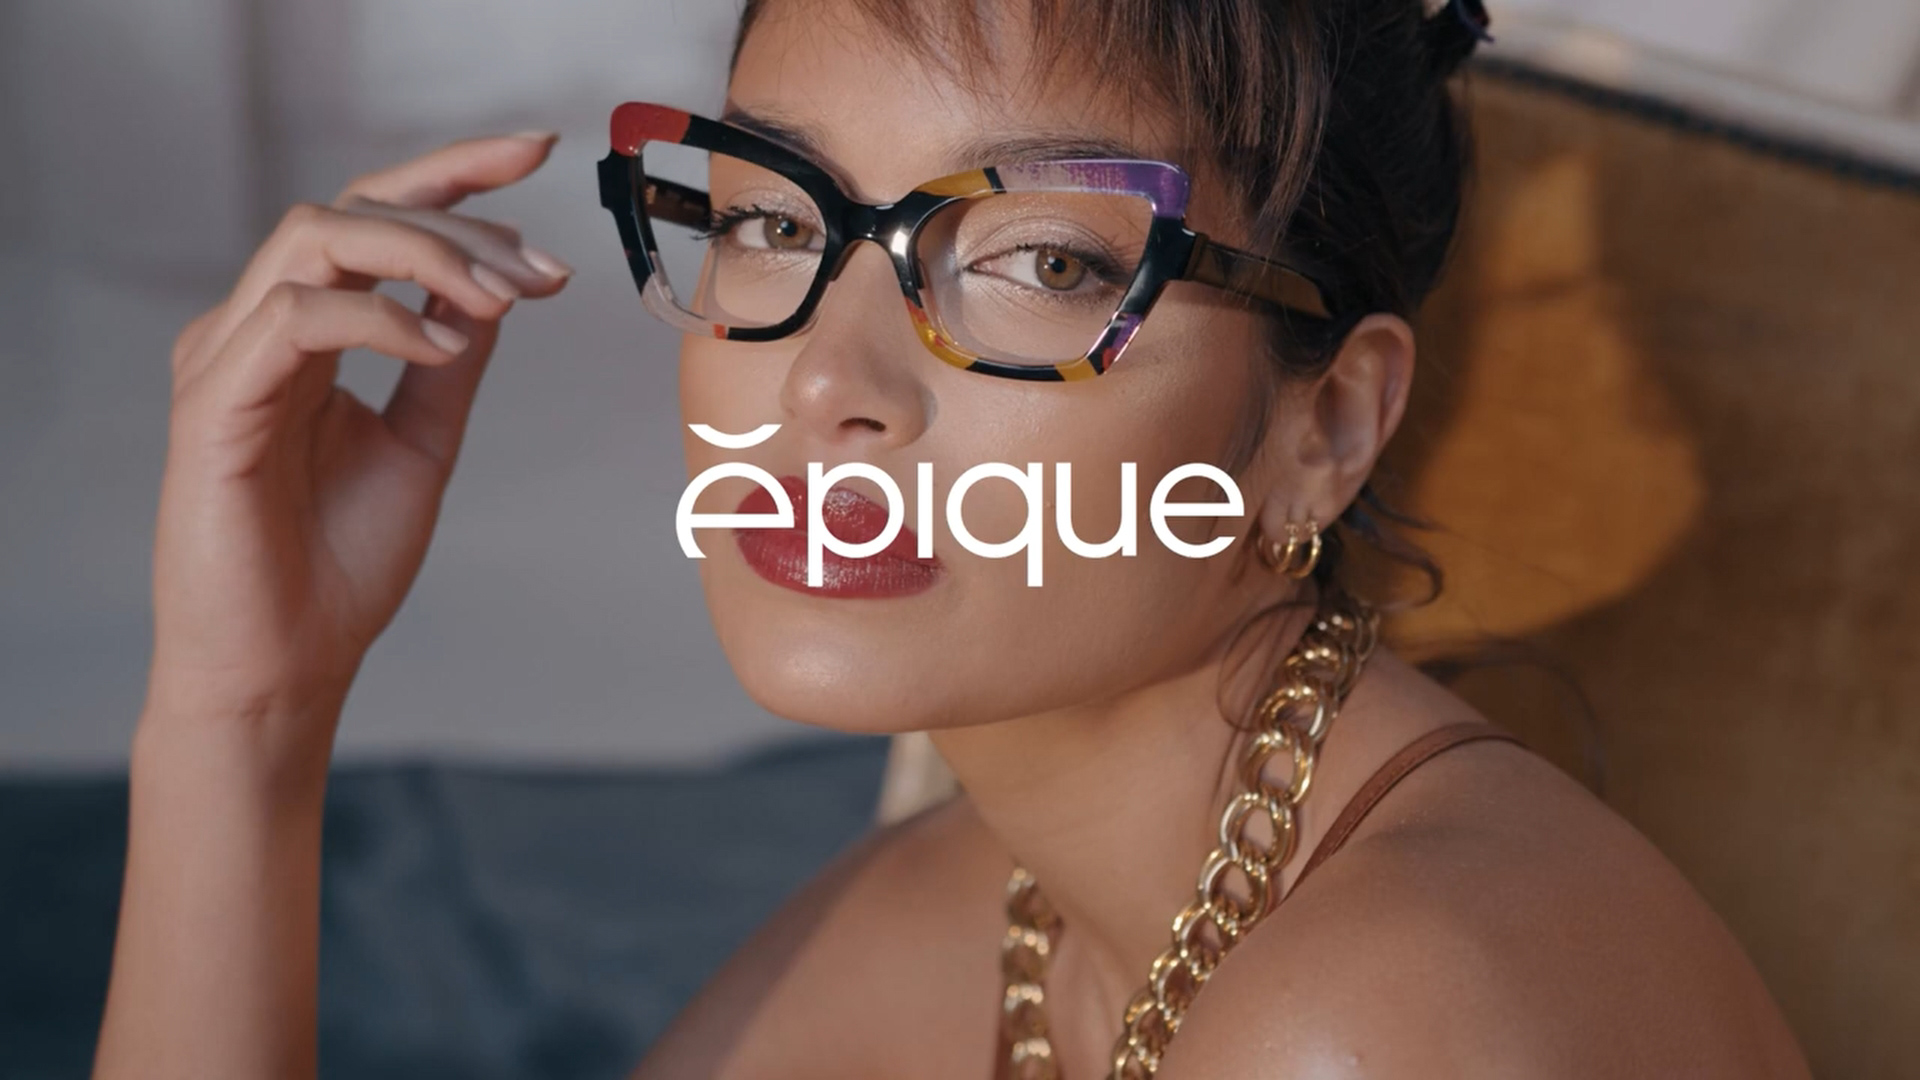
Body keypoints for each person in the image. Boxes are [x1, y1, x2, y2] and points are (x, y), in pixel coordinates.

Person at [93, 0, 1816, 1077]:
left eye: (1043, 263)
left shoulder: (1386, 1020)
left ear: (1329, 427)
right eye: (775, 223)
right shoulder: (971, 910)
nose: (827, 384)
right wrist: (244, 712)